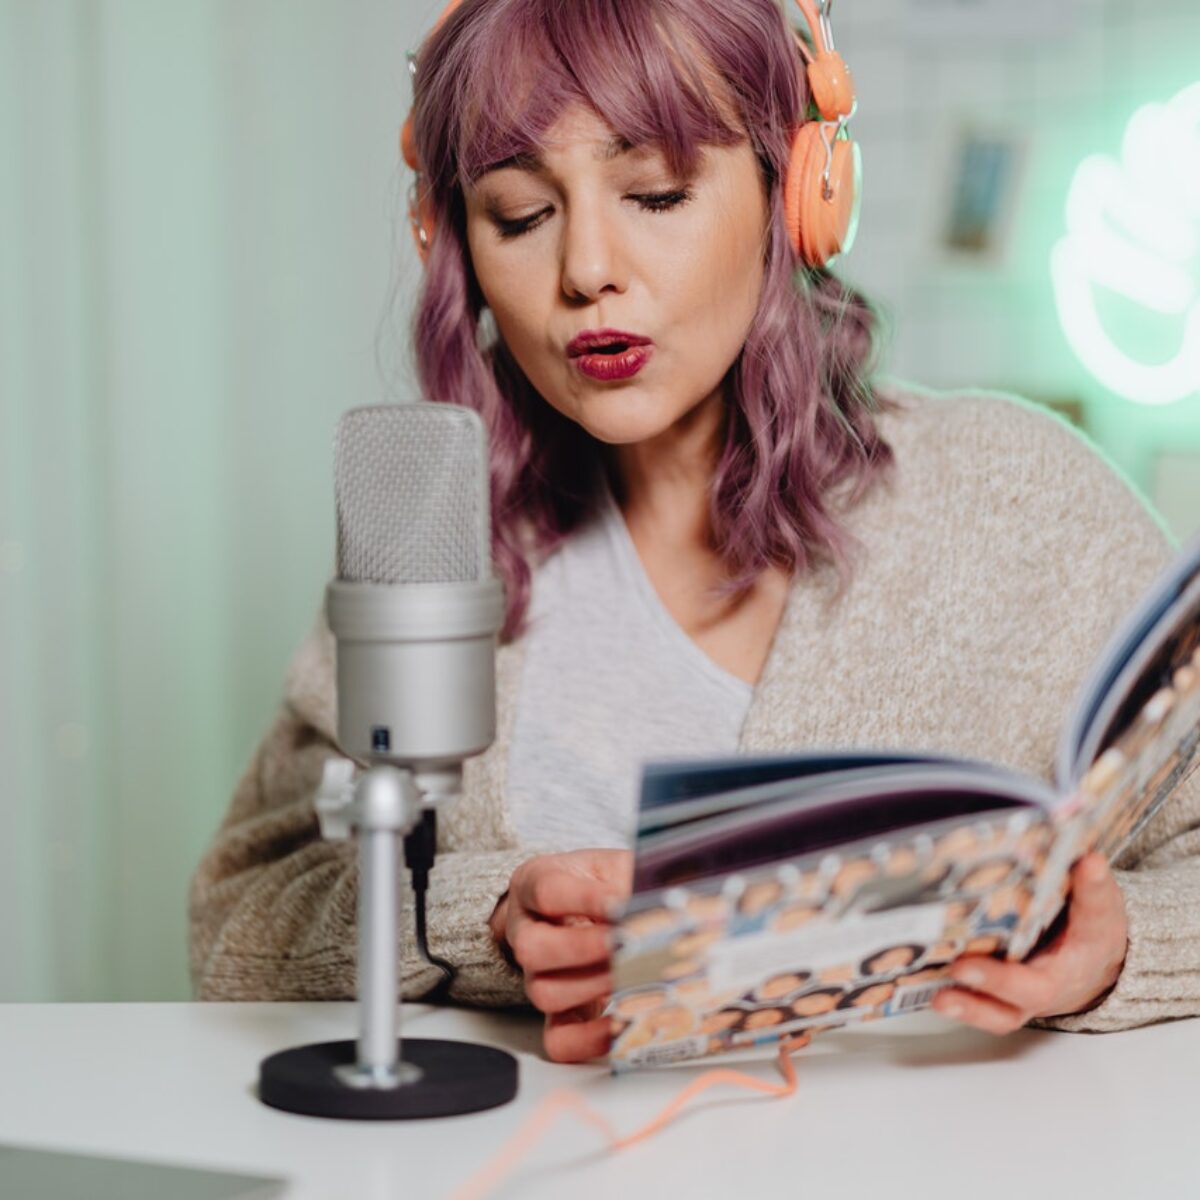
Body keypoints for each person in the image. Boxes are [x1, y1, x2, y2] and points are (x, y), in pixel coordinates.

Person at [188, 0, 1200, 1064]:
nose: (586, 270)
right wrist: (485, 920)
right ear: (456, 244)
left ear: (797, 195)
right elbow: (235, 924)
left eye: (657, 192)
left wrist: (1120, 943)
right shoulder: (438, 537)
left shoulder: (1025, 501)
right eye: (522, 215)